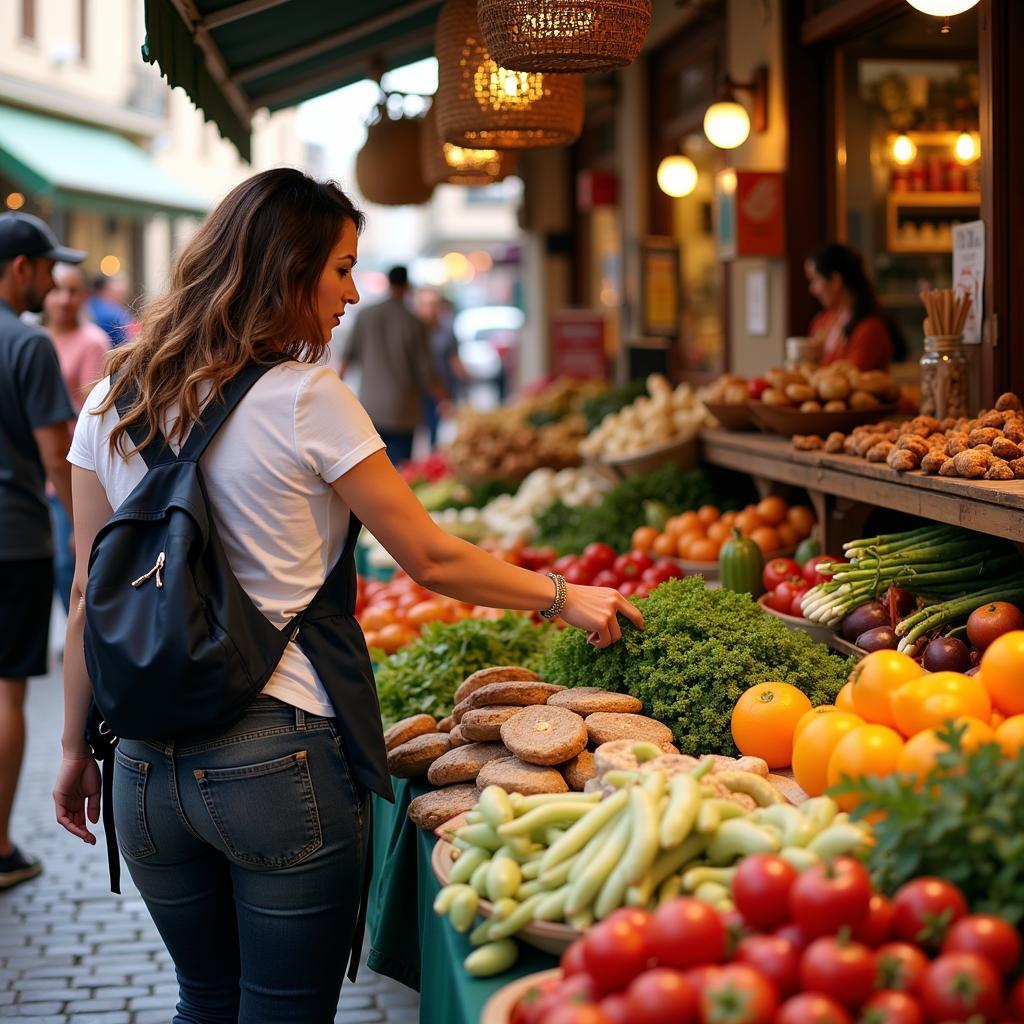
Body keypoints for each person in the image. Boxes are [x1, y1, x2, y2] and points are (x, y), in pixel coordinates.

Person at [53, 168, 640, 1021]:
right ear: (286, 271)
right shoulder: (306, 400)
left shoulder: (110, 399)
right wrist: (562, 595)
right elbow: (430, 559)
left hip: (142, 762)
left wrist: (74, 749)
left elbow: (84, 596)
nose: (354, 293)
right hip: (276, 753)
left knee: (202, 1004)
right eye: (339, 269)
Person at [0, 212, 82, 891]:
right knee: (8, 690)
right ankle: (0, 848)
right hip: (14, 536)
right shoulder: (26, 346)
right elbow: (60, 454)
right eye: (48, 267)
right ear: (21, 269)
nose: (54, 281)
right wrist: (85, 526)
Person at [42, 263, 111, 612]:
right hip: (34, 468)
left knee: (69, 561)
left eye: (73, 291)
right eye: (58, 290)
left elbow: (92, 413)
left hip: (69, 468)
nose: (65, 299)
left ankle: (80, 631)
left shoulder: (93, 341)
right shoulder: (37, 337)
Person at [339, 264, 445, 466]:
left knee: (371, 467)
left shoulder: (366, 315)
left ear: (389, 282)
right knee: (400, 470)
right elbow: (426, 370)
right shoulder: (414, 322)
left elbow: (347, 356)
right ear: (407, 286)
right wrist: (443, 398)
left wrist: (335, 393)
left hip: (370, 408)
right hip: (403, 410)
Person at [805, 243, 902, 371]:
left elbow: (848, 378)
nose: (812, 289)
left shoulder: (870, 329)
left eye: (815, 280)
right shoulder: (822, 321)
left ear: (835, 281)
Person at [417, 289, 468, 449]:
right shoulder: (413, 331)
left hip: (441, 389)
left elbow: (454, 358)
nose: (429, 309)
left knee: (435, 429)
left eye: (433, 305)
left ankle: (431, 457)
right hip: (419, 389)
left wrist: (465, 379)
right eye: (426, 305)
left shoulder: (446, 331)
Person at [88, 271, 138, 347]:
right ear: (107, 288)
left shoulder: (88, 304)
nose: (124, 290)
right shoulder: (114, 314)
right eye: (119, 283)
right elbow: (129, 344)